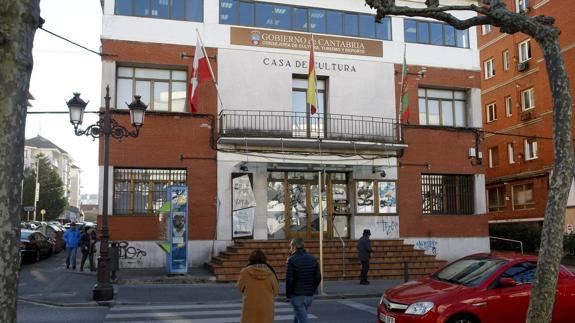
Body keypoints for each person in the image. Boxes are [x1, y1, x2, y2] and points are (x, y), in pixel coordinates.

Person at [237, 249, 279, 323]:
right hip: (266, 308)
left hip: (250, 307)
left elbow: (240, 287)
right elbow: (276, 291)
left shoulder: (245, 272)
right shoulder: (270, 273)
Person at [286, 238, 321, 323]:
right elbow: (318, 277)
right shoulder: (312, 258)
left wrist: (288, 294)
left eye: (290, 246)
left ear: (294, 247)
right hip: (309, 295)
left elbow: (289, 280)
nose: (290, 248)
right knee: (298, 316)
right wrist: (313, 288)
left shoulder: (291, 259)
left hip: (297, 294)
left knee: (302, 319)